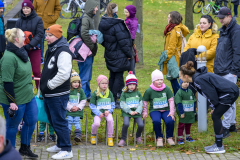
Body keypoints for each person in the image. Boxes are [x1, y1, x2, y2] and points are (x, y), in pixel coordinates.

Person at [179, 61, 239, 153]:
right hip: (229, 92)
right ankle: (218, 144)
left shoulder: (198, 80)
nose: (179, 77)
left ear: (186, 76)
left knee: (215, 116)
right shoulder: (196, 79)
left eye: (180, 75)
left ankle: (219, 146)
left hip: (229, 93)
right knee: (215, 115)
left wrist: (214, 107)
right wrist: (214, 107)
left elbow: (211, 94)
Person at [0, 28, 38, 158]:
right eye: (23, 36)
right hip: (15, 98)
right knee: (12, 125)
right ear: (17, 39)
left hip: (28, 94)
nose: (26, 37)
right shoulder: (9, 57)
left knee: (32, 120)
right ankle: (8, 152)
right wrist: (11, 102)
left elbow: (27, 72)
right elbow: (7, 81)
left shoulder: (22, 51)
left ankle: (24, 148)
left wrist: (31, 85)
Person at [40, 24, 73, 159]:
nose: (46, 38)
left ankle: (67, 149)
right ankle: (60, 144)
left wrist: (49, 85)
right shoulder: (52, 49)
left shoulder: (63, 51)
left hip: (57, 94)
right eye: (46, 35)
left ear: (57, 36)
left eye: (50, 35)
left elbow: (64, 73)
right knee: (53, 120)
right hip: (49, 93)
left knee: (59, 121)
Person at [99, 3, 132, 108]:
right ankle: (113, 99)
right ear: (116, 12)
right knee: (118, 76)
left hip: (109, 53)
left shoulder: (103, 22)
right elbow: (124, 42)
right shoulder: (117, 24)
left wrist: (109, 47)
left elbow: (102, 39)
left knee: (112, 75)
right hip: (119, 54)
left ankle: (110, 97)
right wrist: (129, 54)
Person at [214, 7, 240, 138]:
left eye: (222, 17)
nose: (220, 19)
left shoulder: (236, 30)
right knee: (230, 99)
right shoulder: (224, 30)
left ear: (229, 16)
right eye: (219, 17)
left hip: (229, 71)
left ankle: (224, 128)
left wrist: (234, 71)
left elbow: (237, 52)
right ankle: (232, 124)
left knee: (226, 100)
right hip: (221, 69)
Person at [142, 69, 175, 147]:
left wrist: (171, 112)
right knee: (156, 121)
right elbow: (144, 102)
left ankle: (169, 137)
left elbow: (171, 100)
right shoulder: (149, 90)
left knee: (170, 120)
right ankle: (159, 137)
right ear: (153, 81)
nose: (160, 81)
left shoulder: (166, 89)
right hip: (154, 110)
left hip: (165, 110)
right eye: (157, 80)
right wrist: (145, 112)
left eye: (161, 79)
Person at [15, 0, 44, 89]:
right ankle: (24, 90)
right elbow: (16, 33)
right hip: (22, 49)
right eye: (23, 8)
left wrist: (30, 45)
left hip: (34, 48)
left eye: (27, 8)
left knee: (36, 71)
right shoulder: (19, 21)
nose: (25, 10)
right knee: (22, 71)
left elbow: (40, 34)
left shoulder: (38, 19)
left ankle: (40, 91)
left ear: (31, 8)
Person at [163, 11, 190, 95]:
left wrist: (166, 58)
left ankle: (180, 97)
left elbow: (172, 47)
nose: (167, 19)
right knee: (177, 77)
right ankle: (181, 97)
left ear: (172, 19)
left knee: (175, 78)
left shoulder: (174, 30)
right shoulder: (174, 28)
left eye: (169, 17)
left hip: (174, 58)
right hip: (175, 57)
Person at [79, 0, 98, 102]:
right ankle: (82, 97)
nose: (97, 9)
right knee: (84, 76)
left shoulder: (89, 17)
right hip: (85, 52)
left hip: (88, 52)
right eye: (95, 7)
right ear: (91, 7)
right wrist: (91, 46)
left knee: (88, 75)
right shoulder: (86, 18)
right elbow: (84, 33)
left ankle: (87, 95)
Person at [118, 71, 144, 147]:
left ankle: (138, 136)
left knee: (141, 125)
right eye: (130, 85)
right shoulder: (124, 93)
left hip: (136, 112)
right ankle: (123, 139)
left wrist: (137, 111)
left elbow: (141, 103)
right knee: (126, 123)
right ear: (127, 85)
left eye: (134, 84)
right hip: (127, 112)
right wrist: (129, 111)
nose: (132, 86)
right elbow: (122, 104)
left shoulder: (138, 93)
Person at [89, 75, 115, 147]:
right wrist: (98, 113)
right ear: (99, 84)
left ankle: (110, 137)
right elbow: (92, 105)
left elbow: (112, 104)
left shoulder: (109, 93)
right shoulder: (95, 93)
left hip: (107, 112)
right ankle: (93, 134)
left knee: (110, 120)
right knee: (97, 123)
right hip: (98, 112)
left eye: (106, 83)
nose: (104, 85)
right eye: (102, 83)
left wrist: (109, 111)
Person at [66, 70, 87, 142]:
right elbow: (65, 100)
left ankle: (77, 135)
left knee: (77, 121)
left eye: (78, 82)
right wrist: (70, 108)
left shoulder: (80, 91)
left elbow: (83, 100)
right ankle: (67, 135)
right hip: (70, 111)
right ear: (71, 83)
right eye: (74, 82)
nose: (76, 84)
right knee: (69, 120)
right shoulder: (68, 90)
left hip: (77, 111)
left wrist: (78, 107)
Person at [124, 5, 138, 74]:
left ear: (131, 12)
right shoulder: (127, 19)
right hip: (125, 39)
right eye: (125, 12)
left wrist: (132, 39)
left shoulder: (133, 20)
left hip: (129, 40)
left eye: (127, 12)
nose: (125, 13)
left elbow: (133, 30)